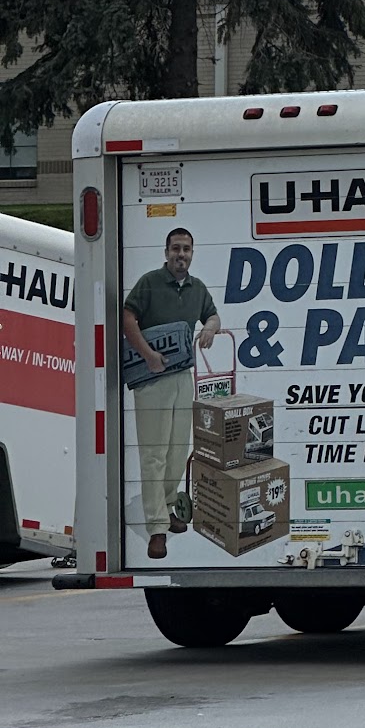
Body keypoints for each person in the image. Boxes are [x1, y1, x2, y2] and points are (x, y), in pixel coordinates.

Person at [122, 228, 220, 560]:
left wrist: (210, 327)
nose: (181, 254)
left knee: (178, 450)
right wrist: (148, 354)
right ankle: (156, 529)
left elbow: (212, 314)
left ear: (192, 253)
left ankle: (166, 507)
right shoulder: (149, 283)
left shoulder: (197, 288)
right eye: (176, 248)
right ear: (166, 252)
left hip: (182, 377)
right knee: (154, 454)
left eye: (186, 249)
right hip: (152, 380)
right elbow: (127, 317)